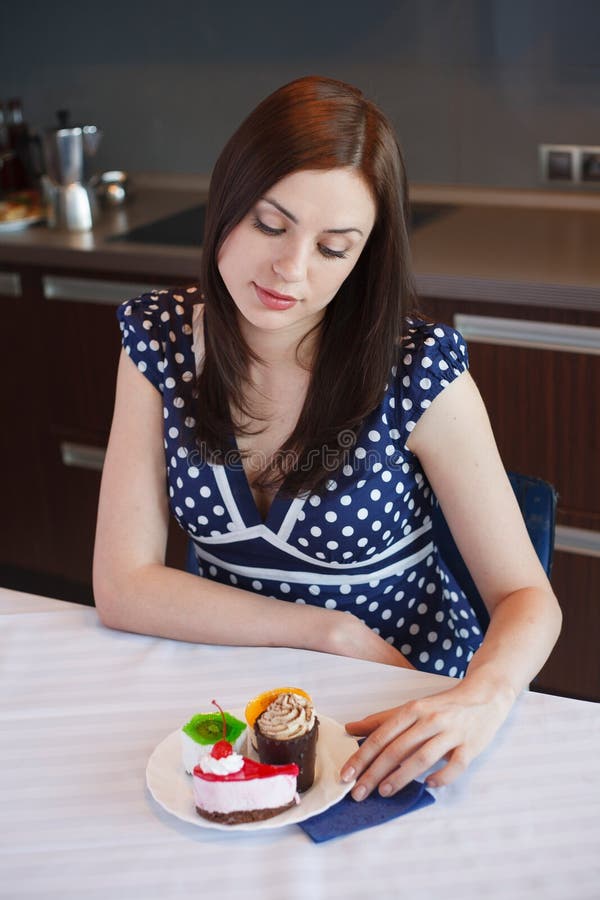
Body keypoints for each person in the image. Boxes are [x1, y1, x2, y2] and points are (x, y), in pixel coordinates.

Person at [93, 76, 562, 801]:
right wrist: (322, 629)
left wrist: (485, 695)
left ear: (365, 256)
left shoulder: (415, 370)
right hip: (229, 696)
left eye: (334, 248)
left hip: (394, 698)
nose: (292, 270)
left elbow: (526, 594)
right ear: (226, 202)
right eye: (271, 225)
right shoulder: (157, 341)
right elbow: (123, 587)